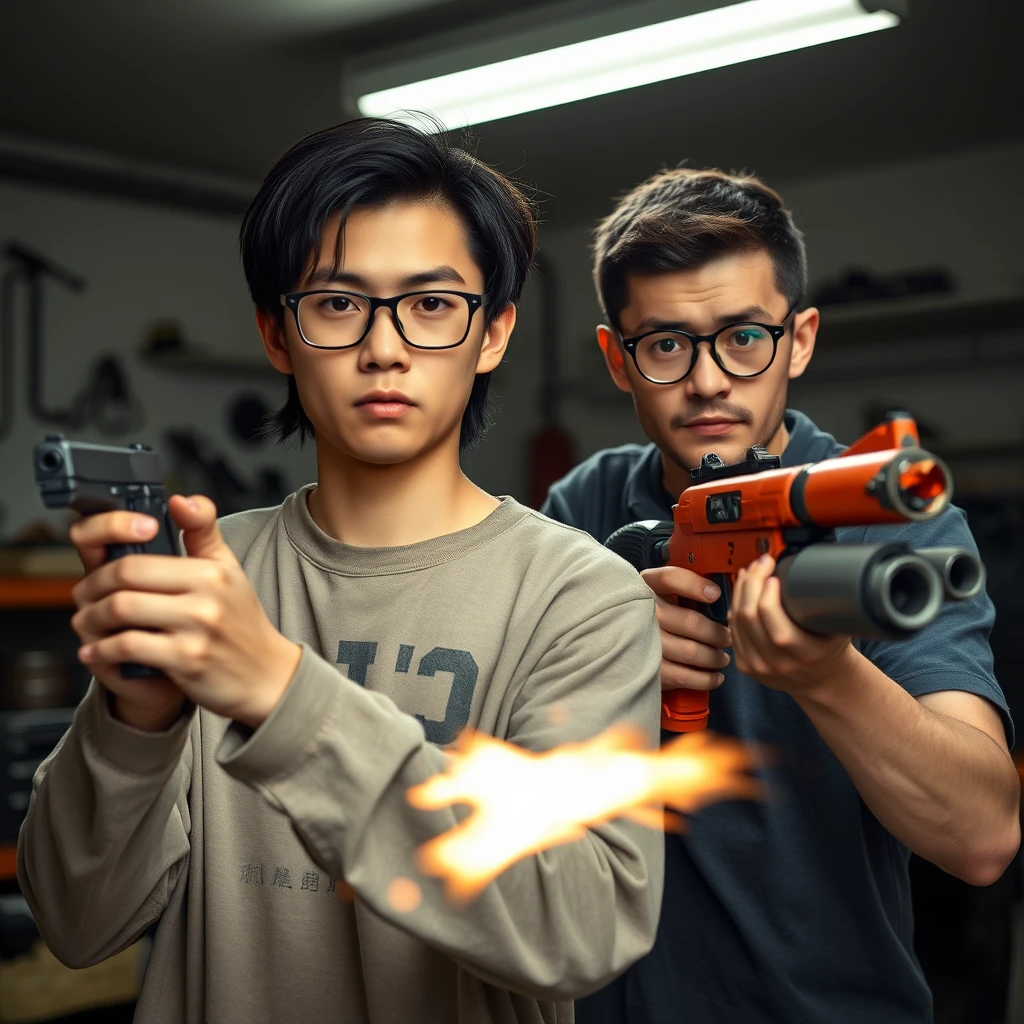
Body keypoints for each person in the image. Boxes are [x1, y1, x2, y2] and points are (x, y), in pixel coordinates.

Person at [17, 119, 666, 1024]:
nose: (385, 347)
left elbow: (584, 932)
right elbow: (78, 927)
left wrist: (282, 693)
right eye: (337, 303)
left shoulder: (579, 598)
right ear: (278, 336)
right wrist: (136, 718)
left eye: (433, 305)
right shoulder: (211, 575)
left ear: (494, 334)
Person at [540, 167, 1021, 1024]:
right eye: (666, 344)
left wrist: (828, 678)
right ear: (618, 359)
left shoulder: (890, 518)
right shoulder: (584, 505)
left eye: (744, 337)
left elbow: (982, 836)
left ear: (798, 340)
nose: (711, 380)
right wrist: (608, 661)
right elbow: (502, 781)